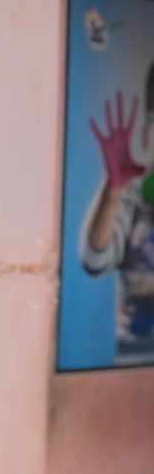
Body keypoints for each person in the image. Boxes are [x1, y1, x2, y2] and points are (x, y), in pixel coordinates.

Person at [80, 74, 154, 358]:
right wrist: (113, 192)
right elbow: (96, 259)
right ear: (147, 130)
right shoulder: (129, 191)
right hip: (134, 354)